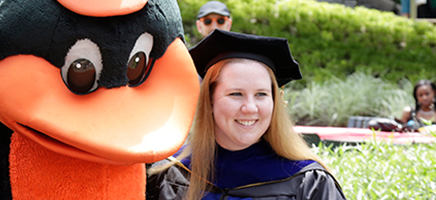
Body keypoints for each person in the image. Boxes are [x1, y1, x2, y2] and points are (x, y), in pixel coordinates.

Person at [146, 29, 345, 200]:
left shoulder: (308, 183)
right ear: (210, 100)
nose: (250, 108)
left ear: (275, 101)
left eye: (261, 94)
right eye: (236, 94)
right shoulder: (170, 173)